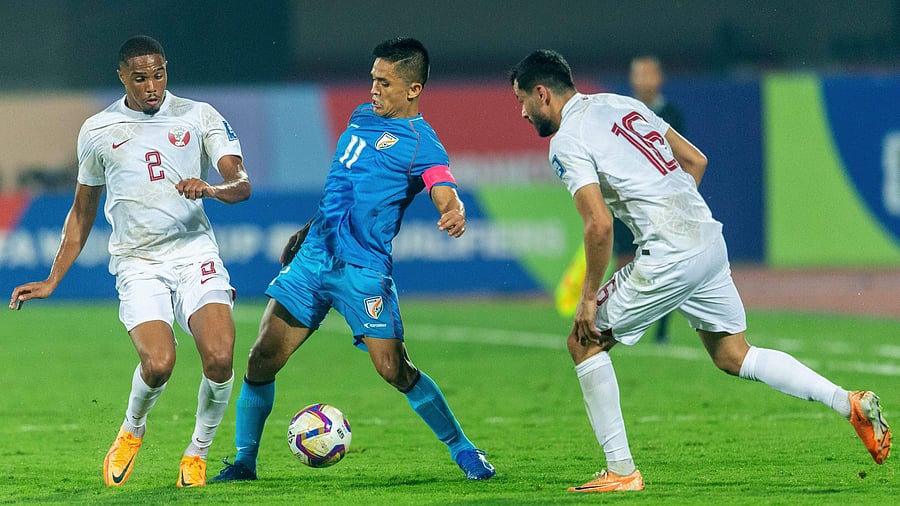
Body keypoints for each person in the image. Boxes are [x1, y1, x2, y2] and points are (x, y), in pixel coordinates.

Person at [508, 49, 890, 493]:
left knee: (583, 342)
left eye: (522, 101)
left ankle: (621, 471)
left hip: (669, 252)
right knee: (733, 354)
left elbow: (599, 224)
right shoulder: (622, 104)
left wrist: (588, 297)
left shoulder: (566, 140)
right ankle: (848, 403)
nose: (522, 113)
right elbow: (695, 161)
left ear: (542, 93)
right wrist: (677, 217)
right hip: (706, 239)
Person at [212, 37, 495, 483]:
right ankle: (244, 462)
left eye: (385, 83)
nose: (374, 90)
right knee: (261, 358)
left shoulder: (422, 144)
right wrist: (307, 230)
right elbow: (344, 185)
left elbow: (443, 186)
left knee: (393, 368)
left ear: (414, 88)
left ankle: (463, 448)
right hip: (314, 258)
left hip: (363, 271)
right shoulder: (361, 117)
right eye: (372, 80)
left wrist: (453, 210)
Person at [8, 35, 251, 488]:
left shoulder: (199, 115)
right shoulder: (98, 130)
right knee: (159, 364)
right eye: (140, 78)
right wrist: (52, 279)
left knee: (220, 358)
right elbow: (82, 211)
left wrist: (212, 189)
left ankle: (197, 453)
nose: (151, 86)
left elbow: (240, 182)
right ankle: (132, 428)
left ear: (166, 70)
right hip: (138, 262)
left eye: (158, 75)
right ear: (122, 77)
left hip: (194, 253)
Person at [617, 55, 685, 343]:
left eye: (648, 73)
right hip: (627, 199)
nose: (643, 79)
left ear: (659, 78)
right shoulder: (620, 111)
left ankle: (661, 330)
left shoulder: (672, 114)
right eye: (638, 74)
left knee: (666, 263)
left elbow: (682, 158)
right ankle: (619, 322)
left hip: (661, 202)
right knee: (624, 262)